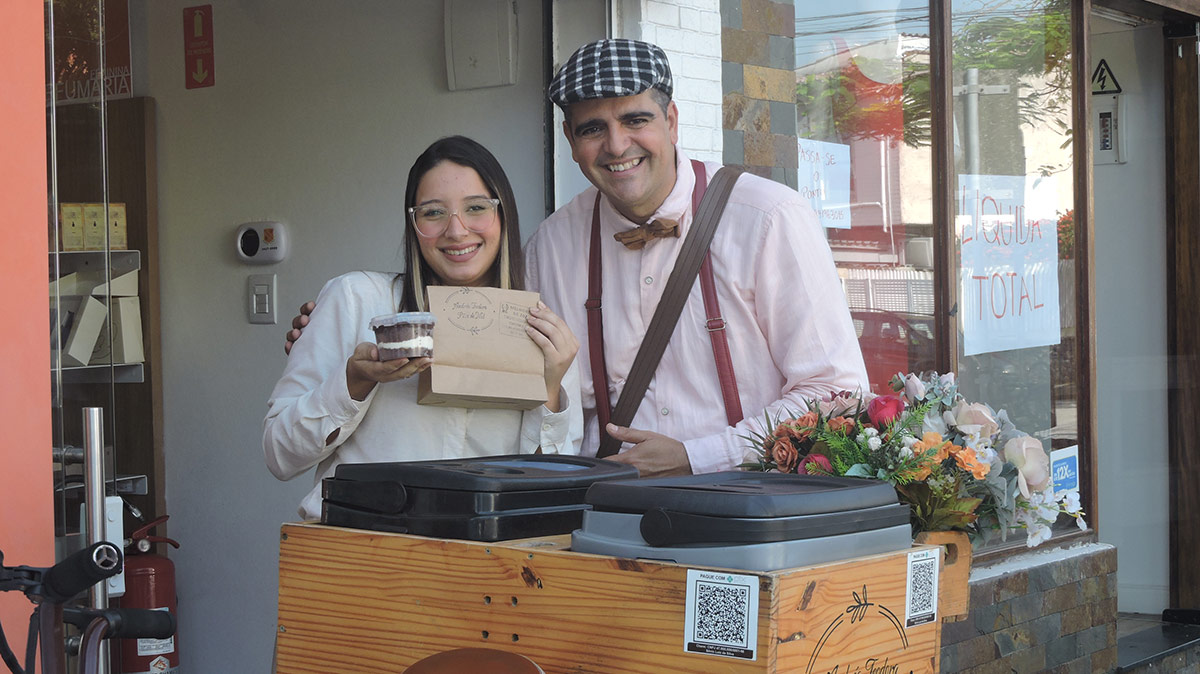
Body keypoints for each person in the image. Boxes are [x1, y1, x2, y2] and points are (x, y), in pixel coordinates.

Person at [286, 40, 866, 479]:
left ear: (672, 120)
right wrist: (334, 332)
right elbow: (521, 378)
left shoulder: (769, 219)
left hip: (745, 513)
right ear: (570, 141)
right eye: (594, 128)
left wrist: (699, 456)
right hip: (600, 527)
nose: (616, 146)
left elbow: (836, 391)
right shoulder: (553, 244)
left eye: (635, 119)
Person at [265, 136, 583, 520]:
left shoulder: (543, 333)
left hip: (480, 562)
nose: (457, 231)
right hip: (357, 555)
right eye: (433, 213)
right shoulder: (357, 300)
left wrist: (548, 389)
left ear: (504, 216)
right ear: (413, 223)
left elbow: (548, 496)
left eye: (477, 208)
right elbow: (280, 455)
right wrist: (353, 382)